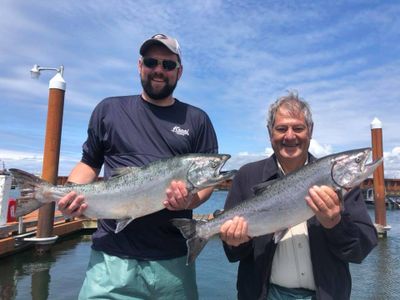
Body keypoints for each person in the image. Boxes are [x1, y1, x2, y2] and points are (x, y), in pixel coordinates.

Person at [58, 33, 218, 299]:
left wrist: (189, 202)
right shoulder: (109, 109)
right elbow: (89, 163)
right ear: (139, 65)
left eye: (168, 65)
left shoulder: (197, 119)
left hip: (173, 262)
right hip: (110, 260)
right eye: (151, 62)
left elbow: (206, 186)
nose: (158, 70)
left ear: (180, 72)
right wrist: (68, 195)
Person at [219, 91, 378, 300]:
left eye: (298, 128)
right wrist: (233, 241)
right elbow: (234, 255)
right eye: (282, 128)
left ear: (310, 131)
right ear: (270, 133)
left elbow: (360, 251)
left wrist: (335, 225)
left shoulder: (343, 186)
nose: (290, 136)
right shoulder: (247, 175)